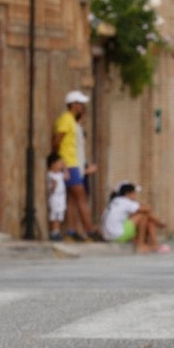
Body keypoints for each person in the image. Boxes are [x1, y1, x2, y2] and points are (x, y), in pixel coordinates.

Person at [51, 90, 100, 241]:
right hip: (70, 164)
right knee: (81, 197)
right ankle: (90, 230)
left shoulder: (72, 121)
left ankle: (71, 230)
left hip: (74, 164)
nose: (83, 106)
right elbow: (57, 139)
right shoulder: (66, 119)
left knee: (72, 199)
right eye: (80, 103)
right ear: (72, 104)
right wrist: (59, 158)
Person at [100, 181, 168, 252]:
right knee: (143, 215)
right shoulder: (125, 201)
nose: (135, 195)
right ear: (128, 193)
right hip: (117, 235)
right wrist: (158, 222)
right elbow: (147, 209)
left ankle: (155, 244)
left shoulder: (115, 201)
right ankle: (141, 245)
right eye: (134, 193)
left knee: (148, 221)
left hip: (108, 236)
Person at [46, 152, 66, 241]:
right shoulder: (50, 174)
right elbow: (51, 187)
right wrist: (53, 186)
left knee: (59, 215)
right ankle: (54, 232)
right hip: (55, 197)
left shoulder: (60, 174)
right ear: (53, 164)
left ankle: (57, 231)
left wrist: (65, 168)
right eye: (59, 163)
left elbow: (67, 177)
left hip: (61, 197)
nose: (60, 166)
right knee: (55, 214)